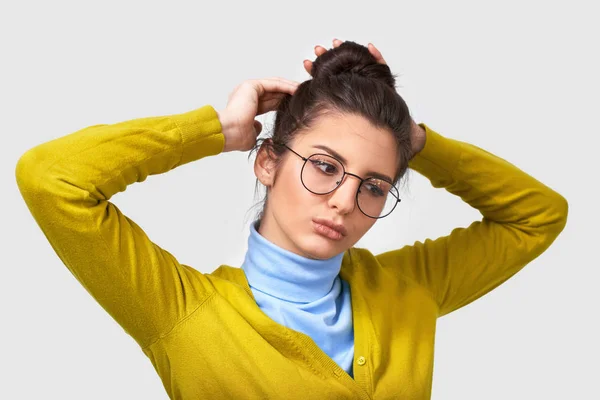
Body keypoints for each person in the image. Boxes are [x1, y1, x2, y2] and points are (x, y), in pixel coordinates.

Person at [15, 39, 568, 399]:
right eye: (325, 167)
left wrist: (416, 142)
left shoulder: (409, 290)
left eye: (374, 185)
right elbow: (52, 178)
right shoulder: (181, 311)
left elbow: (538, 216)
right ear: (268, 161)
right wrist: (220, 129)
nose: (346, 202)